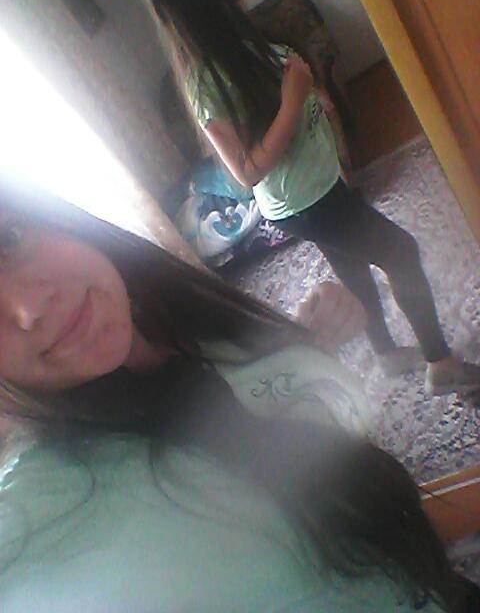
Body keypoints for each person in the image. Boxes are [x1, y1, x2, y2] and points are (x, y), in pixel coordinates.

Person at [0, 180, 479, 612]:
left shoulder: (180, 314)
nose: (27, 308)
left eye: (8, 239)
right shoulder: (50, 497)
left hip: (428, 573)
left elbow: (312, 457)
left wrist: (304, 351)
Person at [134, 0, 480, 397]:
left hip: (318, 183)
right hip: (304, 202)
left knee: (352, 265)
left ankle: (386, 354)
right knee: (401, 252)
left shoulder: (224, 23)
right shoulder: (204, 82)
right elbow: (247, 171)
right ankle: (441, 364)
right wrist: (294, 99)